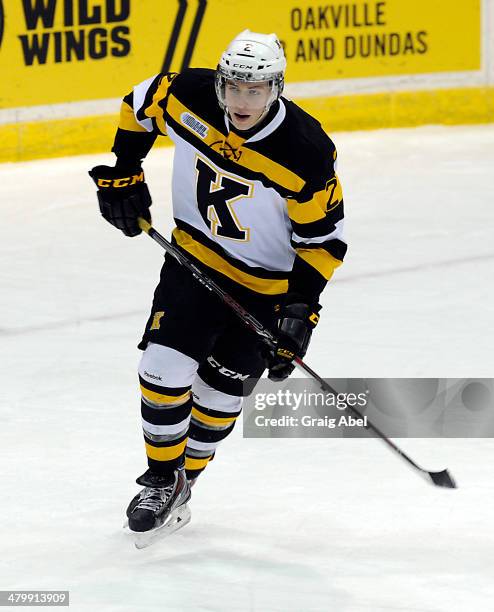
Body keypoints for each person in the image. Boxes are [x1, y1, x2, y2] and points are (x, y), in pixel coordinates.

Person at [89, 30, 347, 537]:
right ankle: (161, 479)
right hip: (193, 262)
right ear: (221, 81)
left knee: (219, 399)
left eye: (256, 90)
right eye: (233, 87)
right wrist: (125, 169)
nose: (241, 101)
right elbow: (141, 103)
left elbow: (323, 242)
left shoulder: (305, 151)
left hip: (267, 290)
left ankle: (187, 480)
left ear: (277, 88)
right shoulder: (189, 95)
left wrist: (300, 313)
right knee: (162, 369)